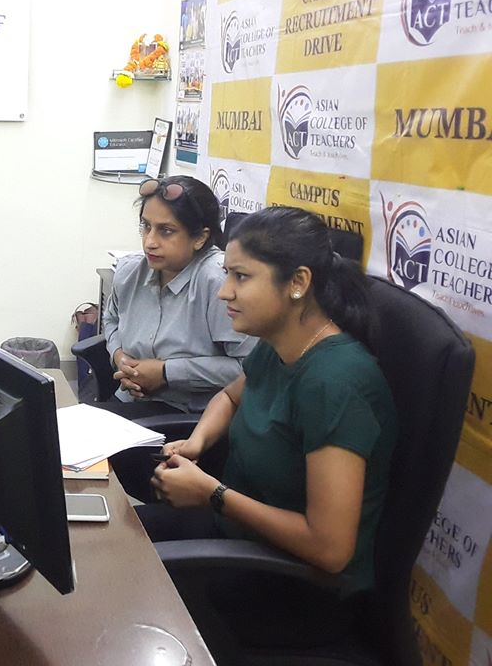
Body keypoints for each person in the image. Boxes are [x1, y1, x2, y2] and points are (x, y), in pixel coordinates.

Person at [144, 206, 397, 649]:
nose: (224, 291)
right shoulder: (281, 345)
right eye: (227, 274)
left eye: (241, 277)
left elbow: (330, 549)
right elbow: (229, 397)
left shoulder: (335, 382)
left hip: (291, 592)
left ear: (298, 282)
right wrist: (197, 442)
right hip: (237, 539)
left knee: (125, 596)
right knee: (112, 541)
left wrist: (213, 493)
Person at [99, 175, 254, 501]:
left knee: (77, 450)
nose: (150, 242)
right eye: (146, 227)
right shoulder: (130, 272)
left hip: (186, 418)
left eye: (165, 231)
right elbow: (111, 319)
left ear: (200, 238)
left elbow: (247, 370)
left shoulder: (218, 283)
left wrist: (166, 372)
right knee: (60, 436)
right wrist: (119, 357)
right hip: (132, 402)